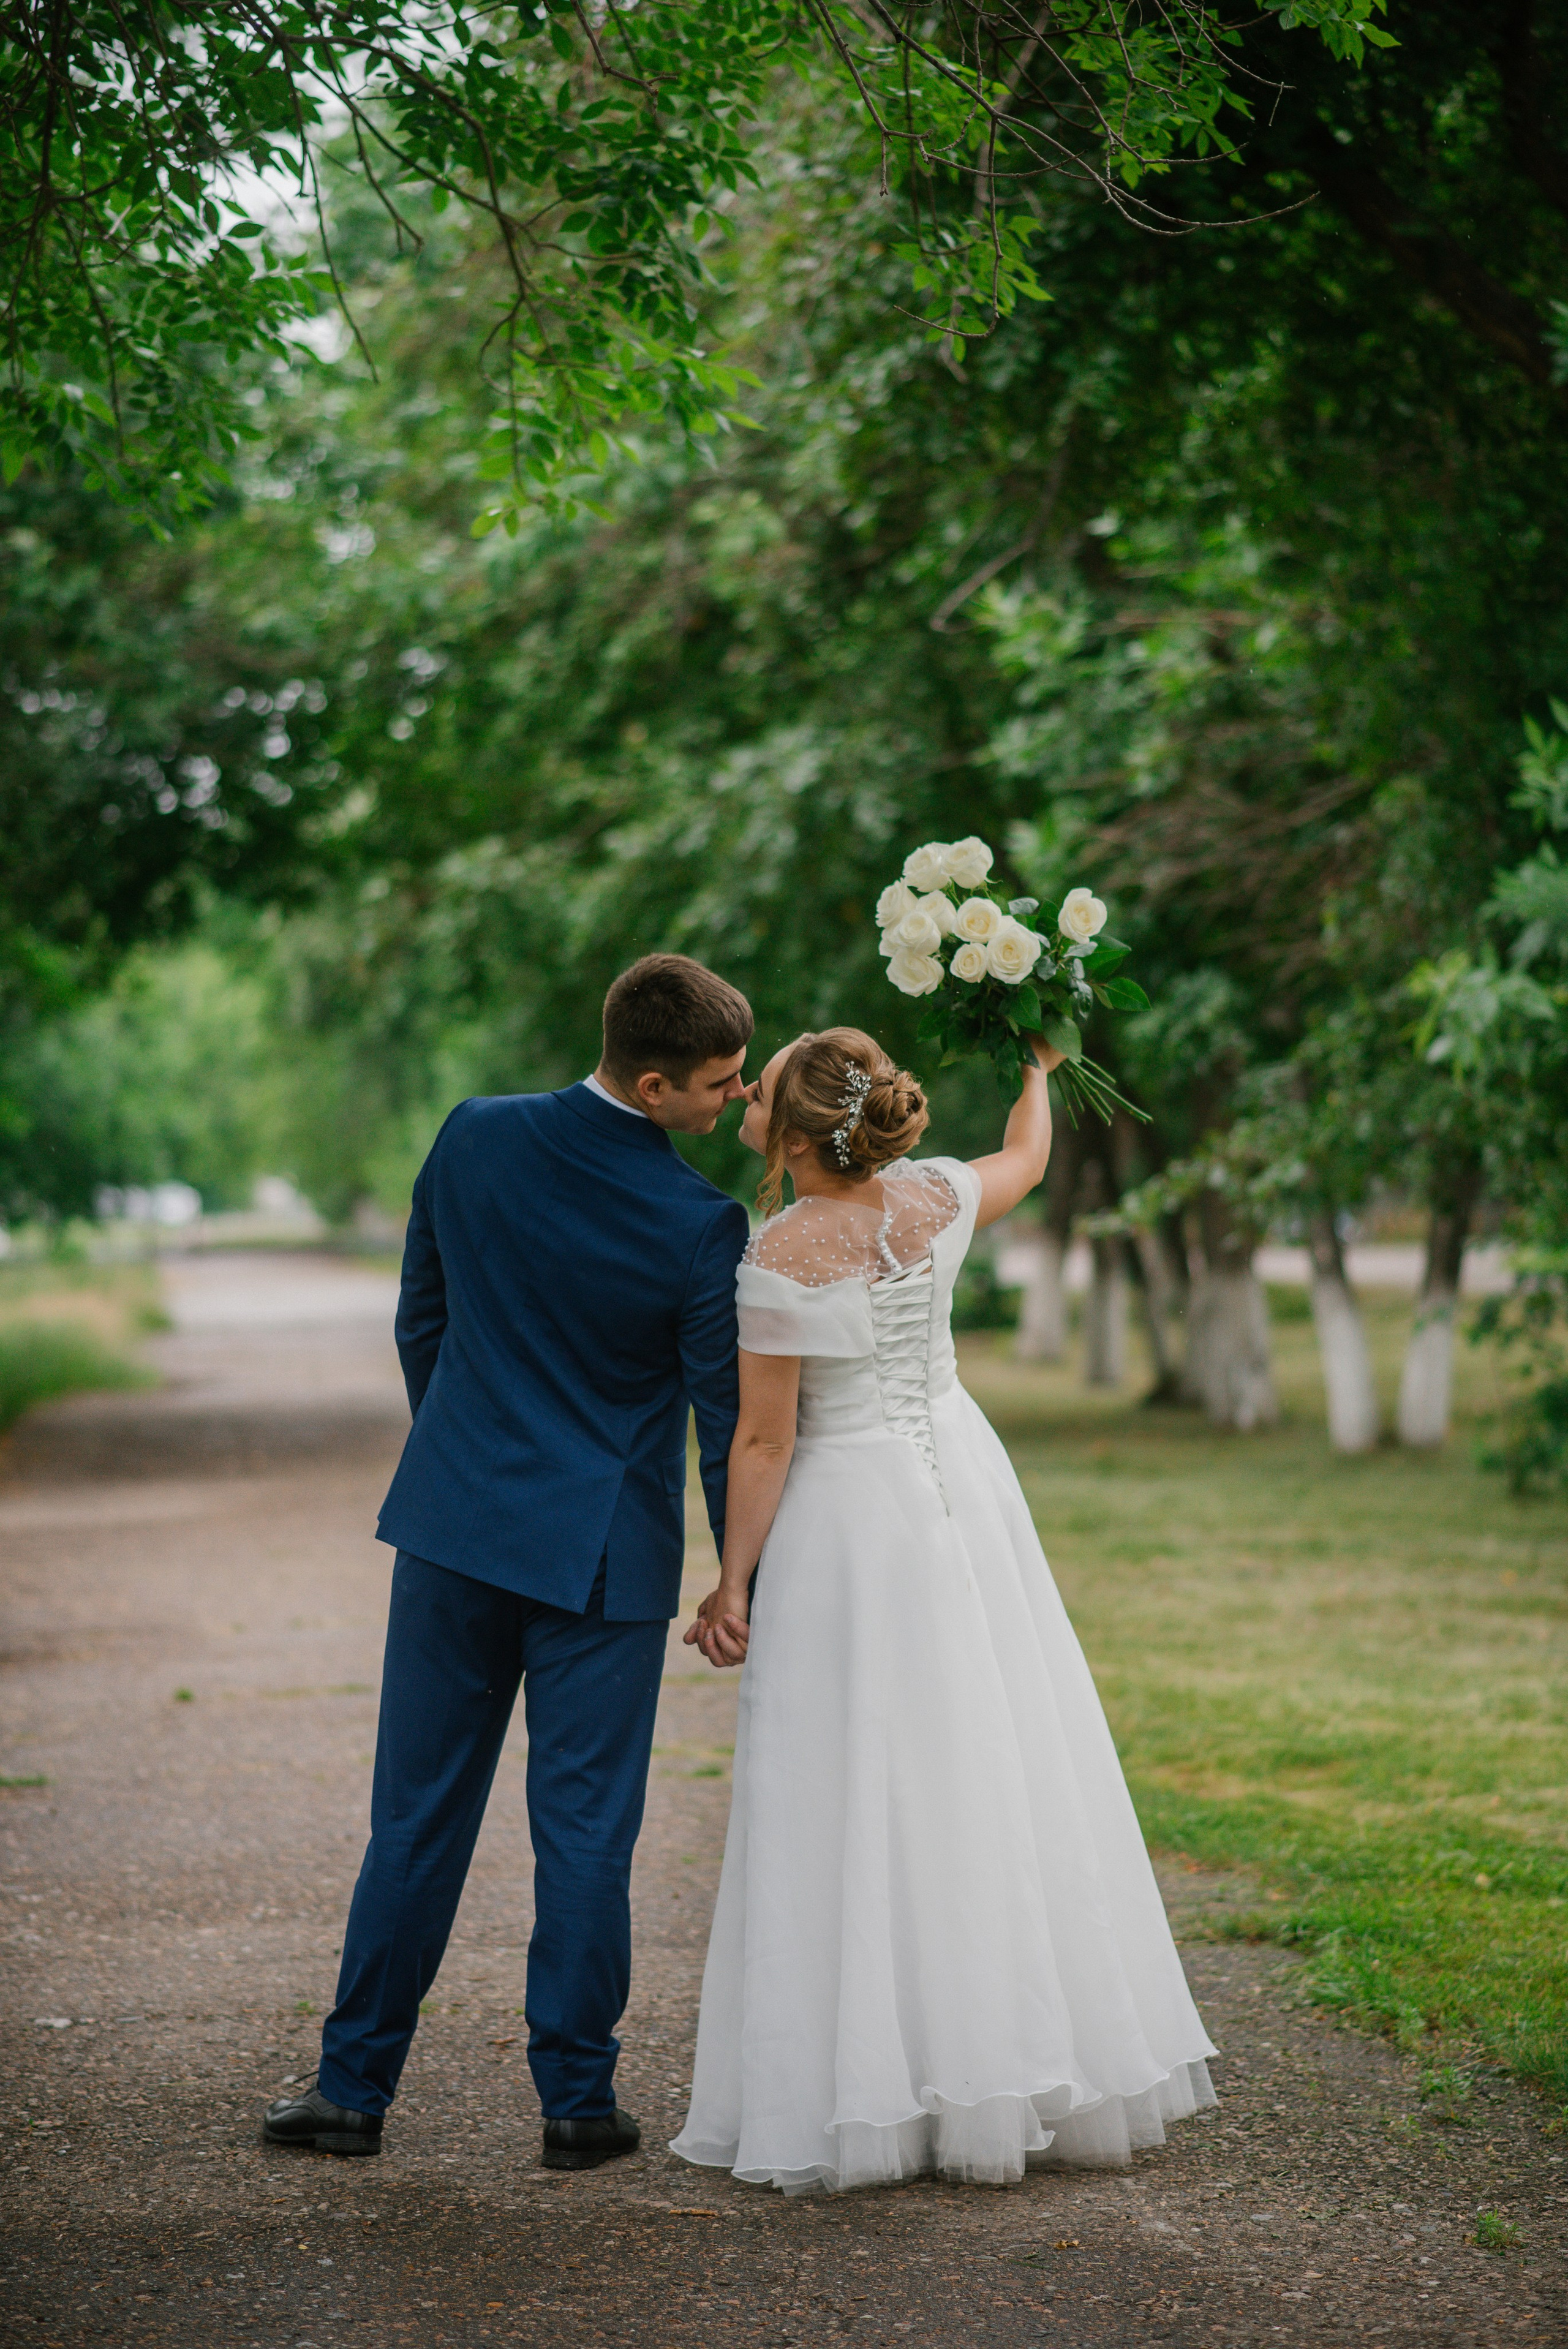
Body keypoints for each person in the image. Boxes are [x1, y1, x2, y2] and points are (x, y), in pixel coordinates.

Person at [671, 1027, 1217, 2193]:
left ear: (795, 1129)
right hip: (964, 1489)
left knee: (858, 1774)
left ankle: (880, 2079)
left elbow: (766, 1439)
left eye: (757, 1091)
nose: (747, 1098)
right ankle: (1005, 2051)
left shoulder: (777, 1258)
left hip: (851, 1529)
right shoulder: (932, 1196)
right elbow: (1025, 1156)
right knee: (989, 1749)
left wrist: (730, 1579)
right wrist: (1039, 1069)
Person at [263, 955, 753, 2168]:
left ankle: (350, 2091)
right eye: (719, 1083)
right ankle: (577, 2106)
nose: (736, 1102)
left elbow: (417, 1315)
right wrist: (744, 1575)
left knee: (413, 1819)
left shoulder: (471, 1136)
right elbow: (720, 1419)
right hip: (599, 1562)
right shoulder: (702, 1223)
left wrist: (468, 1451)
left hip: (451, 1531)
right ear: (651, 1084)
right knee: (585, 1831)